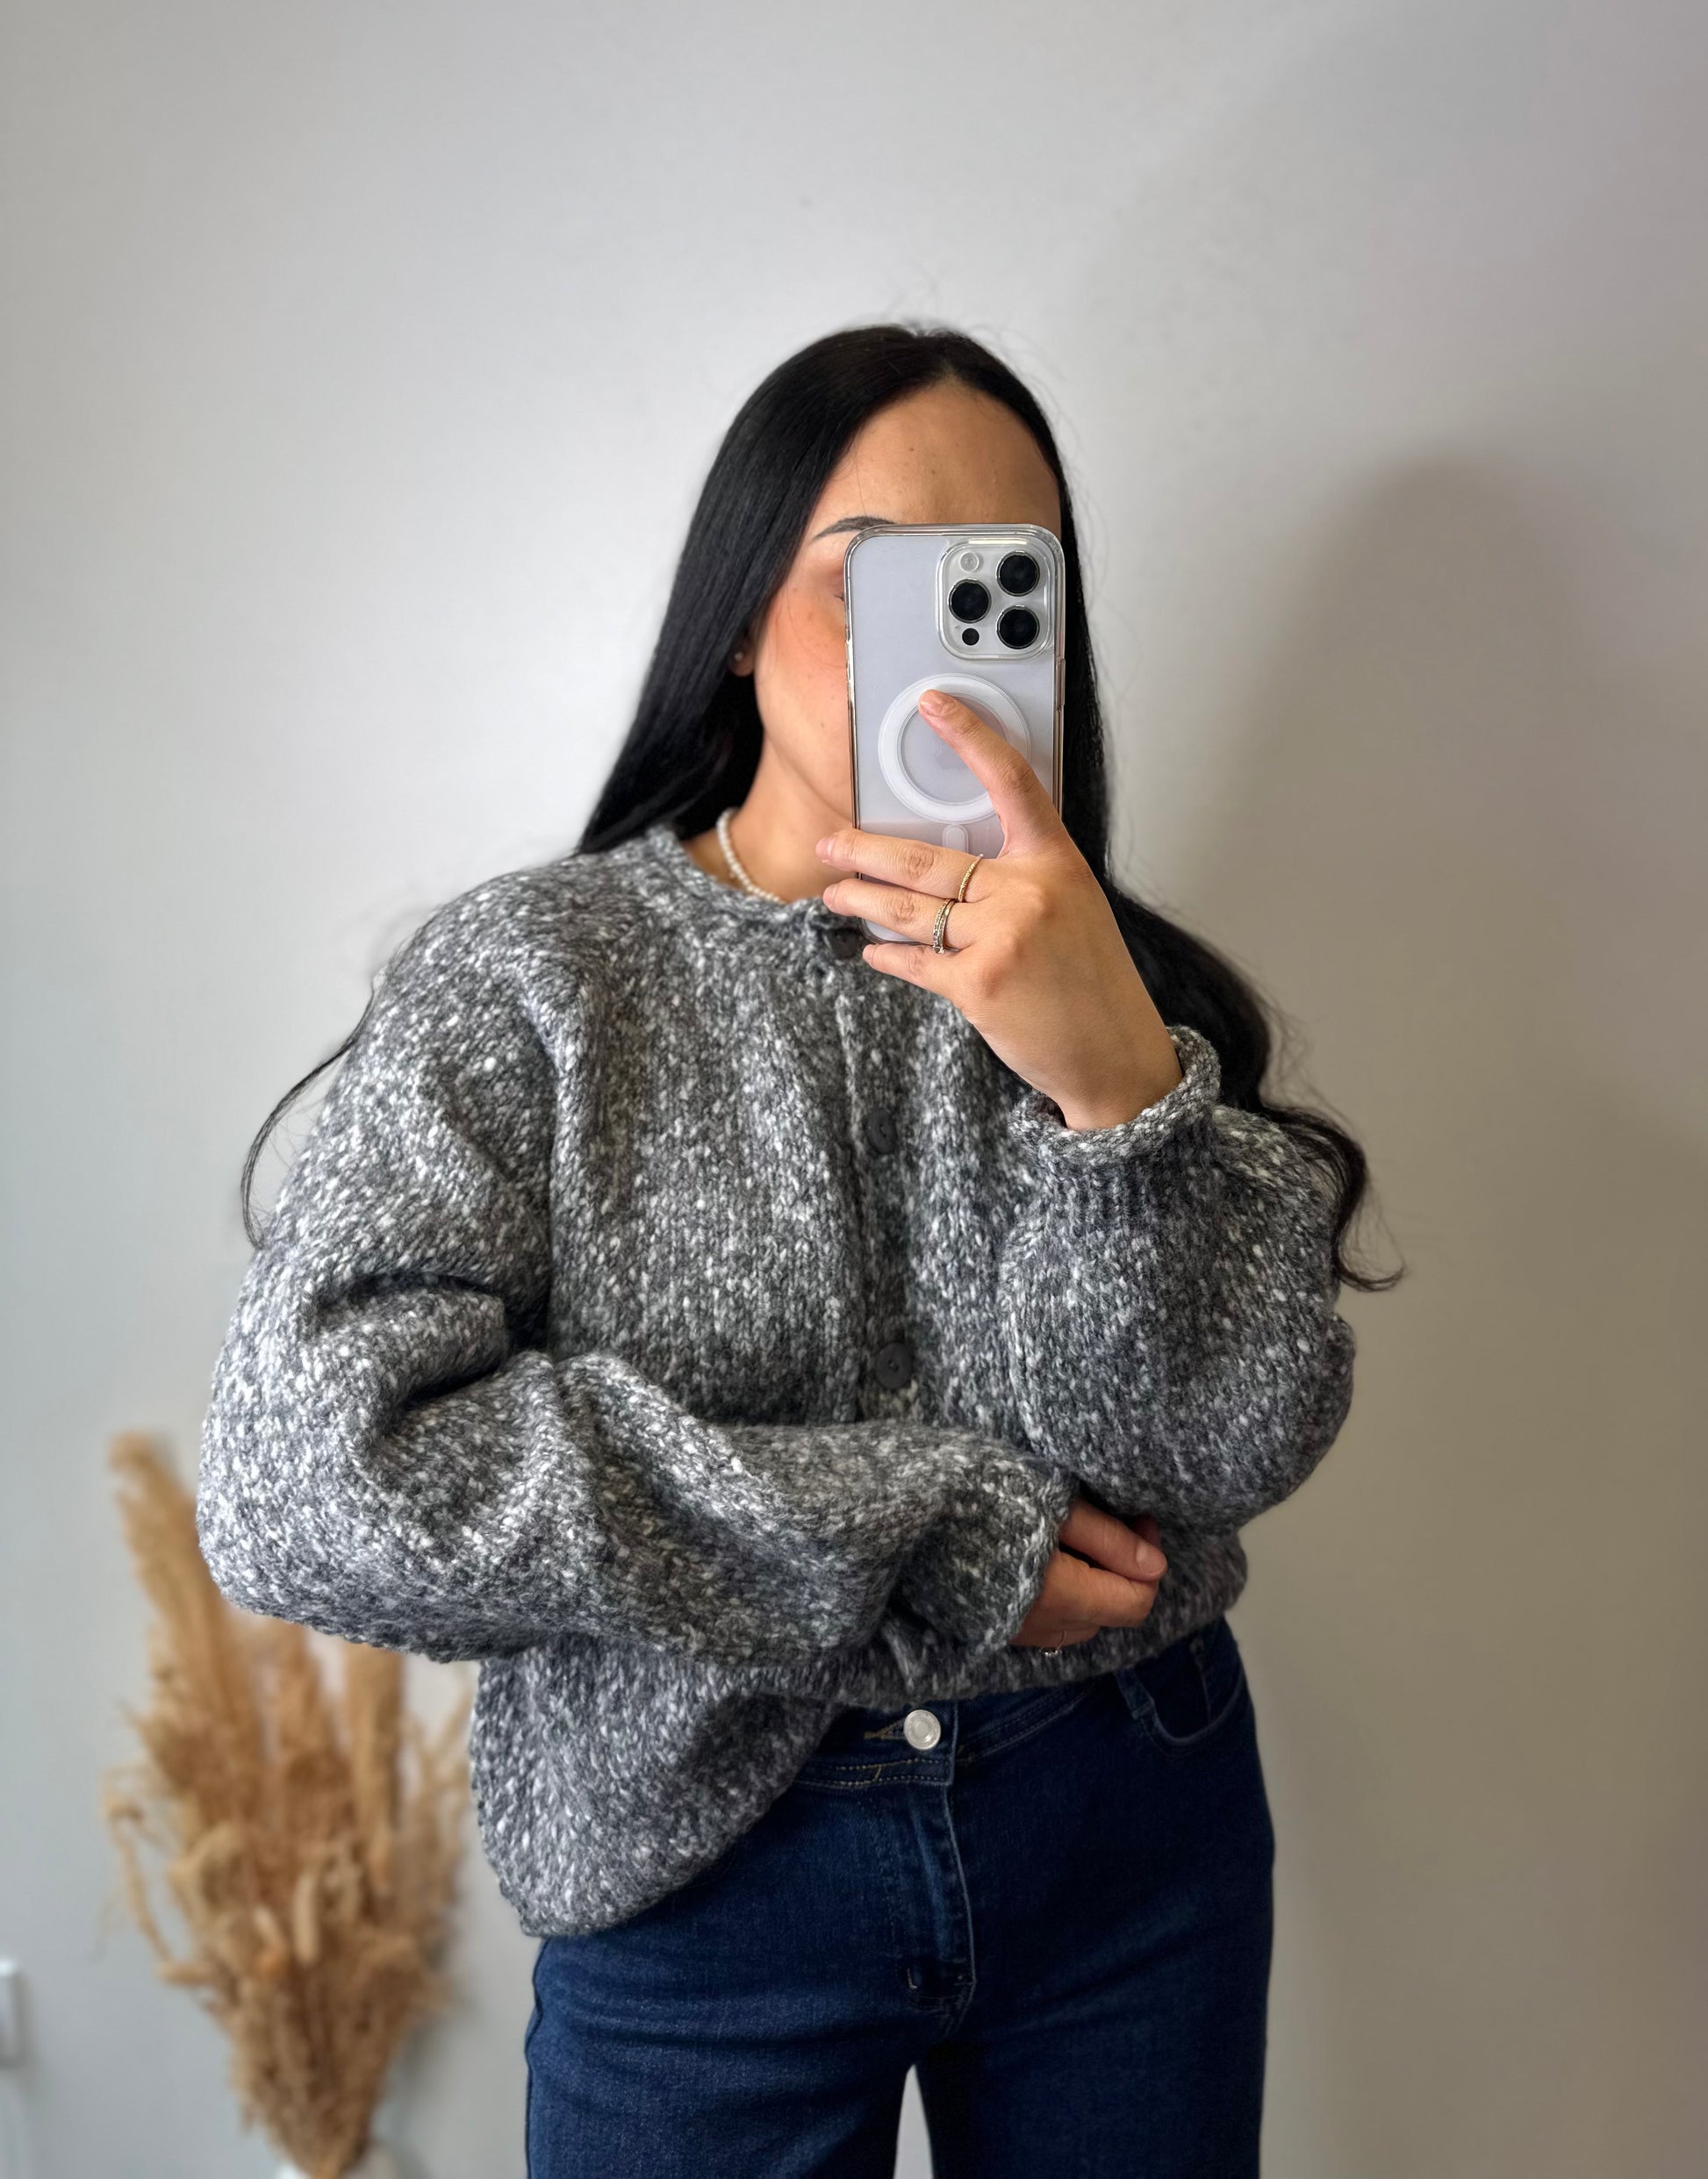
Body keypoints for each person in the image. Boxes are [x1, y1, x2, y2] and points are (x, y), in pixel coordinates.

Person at [197, 321, 1394, 2179]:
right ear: (740, 616)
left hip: (1121, 1824)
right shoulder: (534, 981)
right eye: (878, 580)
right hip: (698, 1872)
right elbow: (308, 1480)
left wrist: (1112, 1092)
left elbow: (1222, 1449)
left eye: (1002, 587)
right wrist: (916, 1533)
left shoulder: (1117, 992)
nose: (951, 652)